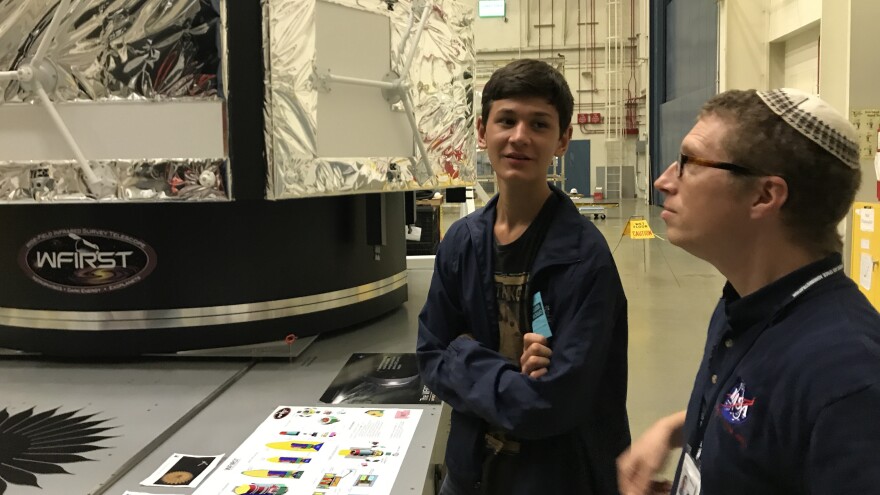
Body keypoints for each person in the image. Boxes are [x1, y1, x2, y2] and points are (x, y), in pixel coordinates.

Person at [617, 88, 880, 495]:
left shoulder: (847, 378)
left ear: (764, 195)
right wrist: (677, 428)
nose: (664, 180)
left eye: (689, 162)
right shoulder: (743, 306)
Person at [416, 59, 630, 494]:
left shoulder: (585, 259)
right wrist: (512, 374)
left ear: (563, 139)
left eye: (538, 124)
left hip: (555, 478)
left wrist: (463, 355)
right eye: (507, 120)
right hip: (470, 471)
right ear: (482, 131)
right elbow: (429, 356)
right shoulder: (462, 242)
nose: (519, 136)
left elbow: (553, 405)